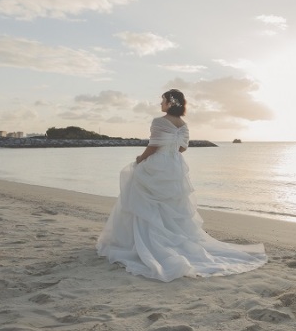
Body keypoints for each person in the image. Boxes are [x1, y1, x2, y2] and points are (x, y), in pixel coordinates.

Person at [97, 89, 267, 282]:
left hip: (158, 163)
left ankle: (145, 243)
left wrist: (140, 158)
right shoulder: (183, 124)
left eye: (162, 101)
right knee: (171, 204)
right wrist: (170, 148)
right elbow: (182, 148)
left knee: (145, 197)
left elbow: (153, 146)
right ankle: (173, 238)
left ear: (170, 102)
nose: (160, 104)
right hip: (174, 165)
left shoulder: (159, 122)